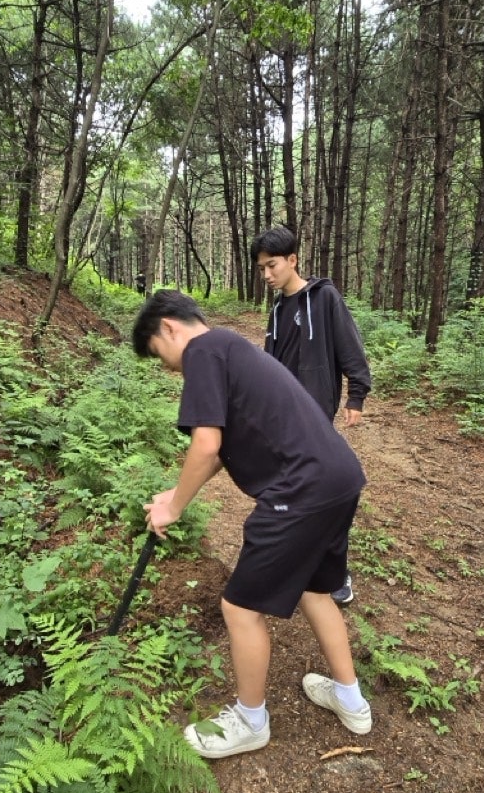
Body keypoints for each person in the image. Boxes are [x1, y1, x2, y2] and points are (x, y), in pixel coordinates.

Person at [132, 289, 373, 760]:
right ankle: (351, 701)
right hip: (339, 478)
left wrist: (173, 507)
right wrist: (177, 493)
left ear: (168, 328)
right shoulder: (231, 347)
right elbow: (225, 445)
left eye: (161, 357)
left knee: (240, 608)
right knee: (314, 589)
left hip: (300, 491)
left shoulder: (201, 351)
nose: (168, 369)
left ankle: (249, 720)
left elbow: (205, 444)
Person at [250, 225, 371, 606]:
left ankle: (336, 575)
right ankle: (295, 564)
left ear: (292, 260)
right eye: (261, 269)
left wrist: (356, 395)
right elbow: (269, 365)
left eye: (272, 266)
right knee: (291, 493)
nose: (267, 275)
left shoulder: (324, 299)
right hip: (281, 421)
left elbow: (350, 347)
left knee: (326, 494)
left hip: (315, 417)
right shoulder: (277, 310)